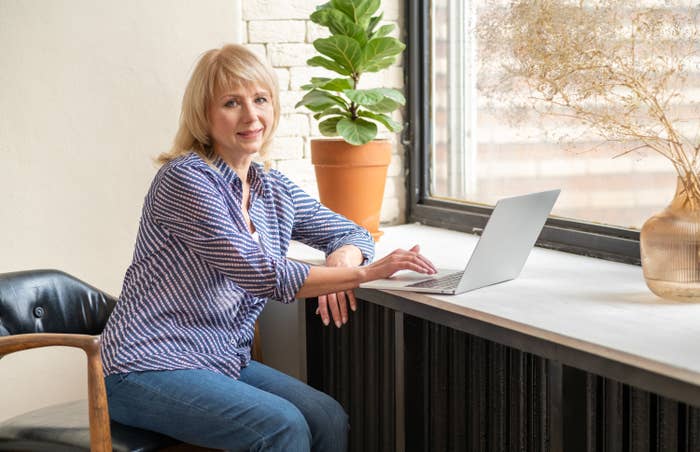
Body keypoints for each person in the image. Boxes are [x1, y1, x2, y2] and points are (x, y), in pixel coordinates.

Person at [100, 43, 436, 452]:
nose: (251, 115)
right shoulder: (185, 179)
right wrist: (364, 274)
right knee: (281, 428)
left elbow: (350, 231)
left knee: (327, 416)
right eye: (231, 103)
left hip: (220, 359)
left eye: (260, 99)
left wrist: (343, 260)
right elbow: (259, 273)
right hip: (144, 366)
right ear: (204, 115)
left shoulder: (269, 186)